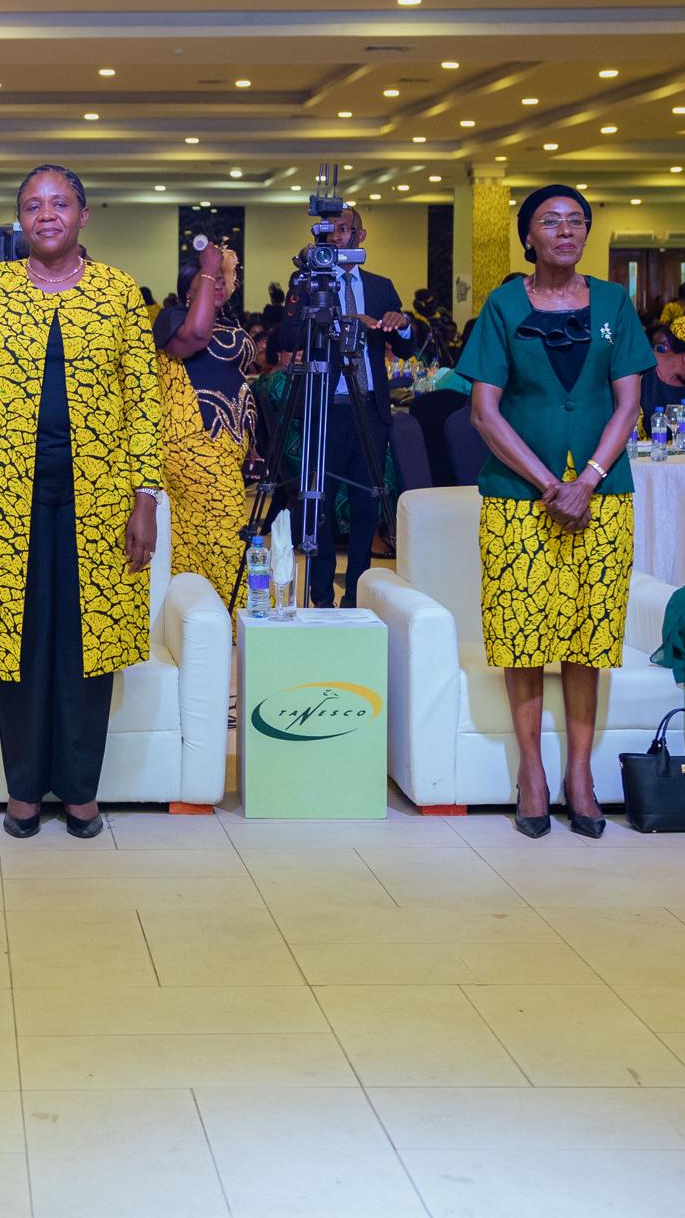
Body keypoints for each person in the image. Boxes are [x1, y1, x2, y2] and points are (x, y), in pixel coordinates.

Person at [0, 165, 161, 840]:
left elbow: (144, 400)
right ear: (19, 220)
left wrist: (146, 497)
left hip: (100, 493)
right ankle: (24, 792)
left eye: (59, 203)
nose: (46, 215)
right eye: (32, 205)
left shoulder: (119, 293)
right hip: (4, 495)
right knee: (20, 638)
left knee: (86, 641)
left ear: (83, 215)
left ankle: (83, 790)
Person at [461, 185, 655, 838]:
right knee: (522, 635)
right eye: (551, 222)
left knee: (586, 636)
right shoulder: (502, 306)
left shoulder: (615, 303)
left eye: (577, 222)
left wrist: (590, 478)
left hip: (604, 498)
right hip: (520, 499)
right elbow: (484, 412)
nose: (566, 231)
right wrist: (552, 484)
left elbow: (628, 402)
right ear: (529, 236)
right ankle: (532, 773)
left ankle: (580, 775)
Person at [277, 207, 420, 608]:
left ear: (361, 236)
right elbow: (286, 336)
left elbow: (407, 345)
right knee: (320, 500)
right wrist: (332, 321)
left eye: (346, 229)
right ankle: (320, 595)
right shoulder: (307, 281)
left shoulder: (380, 285)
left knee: (366, 503)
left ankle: (357, 595)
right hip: (326, 405)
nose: (338, 236)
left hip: (371, 409)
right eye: (332, 230)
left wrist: (402, 322)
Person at [158, 242, 255, 608]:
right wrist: (210, 267)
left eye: (220, 281)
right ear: (188, 291)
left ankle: (196, 613)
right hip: (192, 441)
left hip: (227, 443)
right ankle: (236, 613)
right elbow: (196, 337)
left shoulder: (228, 321)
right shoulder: (173, 320)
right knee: (227, 530)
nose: (216, 284)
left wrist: (251, 440)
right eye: (207, 281)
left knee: (201, 532)